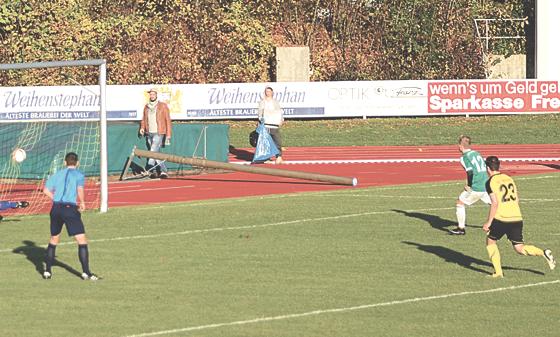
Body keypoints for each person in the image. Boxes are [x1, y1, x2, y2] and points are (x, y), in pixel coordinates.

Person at [482, 155, 555, 278]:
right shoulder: (509, 178)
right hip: (516, 217)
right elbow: (517, 198)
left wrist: (488, 222)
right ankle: (543, 253)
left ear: (488, 168)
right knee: (519, 248)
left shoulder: (490, 182)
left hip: (502, 218)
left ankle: (498, 272)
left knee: (490, 241)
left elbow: (495, 203)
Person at [42, 152, 99, 281]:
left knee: (54, 239)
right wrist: (83, 202)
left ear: (64, 162)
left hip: (56, 208)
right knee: (82, 240)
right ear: (77, 163)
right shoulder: (79, 174)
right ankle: (86, 273)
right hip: (69, 209)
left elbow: (45, 190)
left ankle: (47, 271)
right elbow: (80, 190)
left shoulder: (57, 174)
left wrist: (56, 199)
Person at [450, 135, 491, 235]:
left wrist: (469, 185)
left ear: (460, 146)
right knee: (494, 204)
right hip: (486, 183)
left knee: (460, 203)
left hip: (476, 186)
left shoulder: (464, 157)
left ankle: (461, 228)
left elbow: (470, 172)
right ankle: (504, 222)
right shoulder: (476, 153)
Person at [139, 88, 172, 178]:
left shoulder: (163, 106)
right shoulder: (146, 106)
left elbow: (168, 120)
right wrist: (142, 128)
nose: (152, 96)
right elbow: (144, 118)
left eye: (153, 94)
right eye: (150, 94)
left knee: (153, 151)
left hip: (159, 132)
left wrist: (168, 134)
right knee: (156, 153)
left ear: (156, 95)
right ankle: (162, 171)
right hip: (149, 132)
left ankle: (149, 169)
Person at [257, 86, 284, 164]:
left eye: (269, 91)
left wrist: (281, 119)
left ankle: (279, 156)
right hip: (266, 125)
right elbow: (259, 113)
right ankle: (266, 158)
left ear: (272, 92)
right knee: (266, 142)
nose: (267, 93)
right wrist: (261, 120)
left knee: (277, 141)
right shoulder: (262, 102)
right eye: (266, 91)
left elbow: (279, 111)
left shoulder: (275, 102)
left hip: (274, 125)